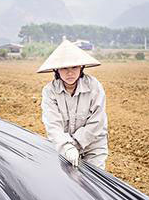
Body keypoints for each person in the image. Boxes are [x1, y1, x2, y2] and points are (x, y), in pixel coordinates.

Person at [38, 40, 108, 170]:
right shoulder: (50, 91)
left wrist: (75, 143)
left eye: (74, 67)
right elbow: (53, 124)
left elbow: (97, 121)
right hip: (64, 145)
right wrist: (67, 146)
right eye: (64, 68)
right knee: (69, 181)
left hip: (93, 144)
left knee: (93, 182)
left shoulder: (94, 87)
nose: (70, 73)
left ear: (81, 67)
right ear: (57, 70)